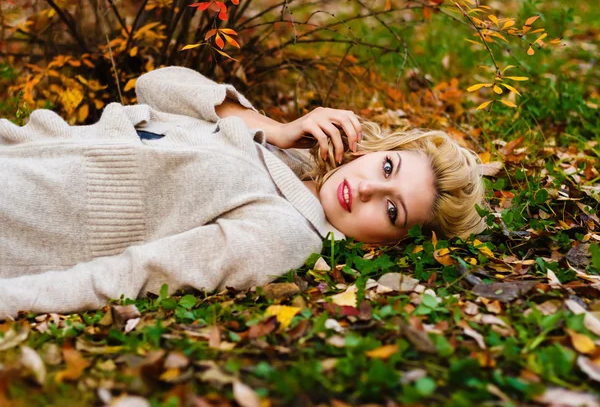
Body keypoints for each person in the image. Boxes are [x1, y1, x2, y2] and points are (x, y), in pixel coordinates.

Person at [0, 66, 485, 319]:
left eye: (392, 208)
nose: (366, 190)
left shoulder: (288, 232)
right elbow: (156, 85)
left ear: (390, 241)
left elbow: (133, 273)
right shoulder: (287, 151)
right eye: (387, 166)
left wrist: (10, 298)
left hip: (29, 211)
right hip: (24, 144)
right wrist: (274, 127)